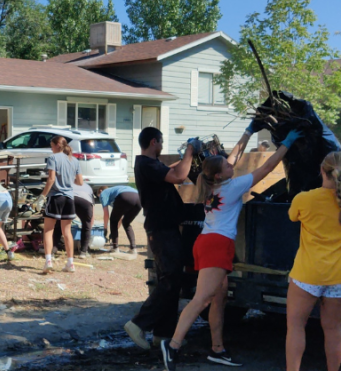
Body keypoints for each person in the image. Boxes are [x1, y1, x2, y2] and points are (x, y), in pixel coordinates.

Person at [160, 127, 303, 370]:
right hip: (217, 244)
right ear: (219, 175)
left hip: (206, 242)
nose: (231, 166)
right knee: (201, 299)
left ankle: (218, 349)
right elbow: (267, 168)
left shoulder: (210, 186)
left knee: (219, 296)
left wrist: (248, 133)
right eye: (226, 167)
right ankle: (172, 345)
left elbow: (231, 158)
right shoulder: (232, 187)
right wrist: (286, 144)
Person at [123, 127, 200, 350]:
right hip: (162, 229)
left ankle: (163, 335)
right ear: (154, 142)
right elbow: (179, 176)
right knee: (170, 278)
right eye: (162, 142)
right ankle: (138, 324)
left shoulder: (149, 165)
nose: (163, 145)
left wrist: (185, 158)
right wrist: (190, 151)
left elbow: (170, 170)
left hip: (164, 228)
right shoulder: (146, 164)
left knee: (171, 280)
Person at [286, 152, 341, 371]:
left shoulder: (304, 199)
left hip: (307, 275)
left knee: (296, 326)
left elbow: (292, 217)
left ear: (321, 170)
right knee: (333, 329)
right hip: (340, 275)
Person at [37, 135, 83, 274]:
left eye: (51, 145)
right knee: (67, 231)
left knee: (48, 230)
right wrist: (68, 180)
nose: (51, 148)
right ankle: (70, 263)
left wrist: (42, 196)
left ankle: (48, 261)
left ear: (57, 145)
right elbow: (80, 182)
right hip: (69, 198)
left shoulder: (53, 158)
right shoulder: (74, 160)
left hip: (56, 197)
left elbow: (51, 179)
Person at [51, 181, 95, 258]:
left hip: (69, 198)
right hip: (85, 201)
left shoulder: (68, 183)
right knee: (86, 225)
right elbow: (92, 208)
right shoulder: (88, 186)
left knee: (59, 224)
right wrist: (89, 224)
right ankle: (83, 252)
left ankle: (53, 250)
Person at [100, 185, 142, 253]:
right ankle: (133, 248)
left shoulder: (103, 193)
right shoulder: (114, 193)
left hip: (125, 195)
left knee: (113, 220)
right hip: (139, 198)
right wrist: (113, 232)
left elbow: (106, 214)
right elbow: (119, 217)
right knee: (126, 222)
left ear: (100, 191)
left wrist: (105, 229)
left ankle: (115, 248)